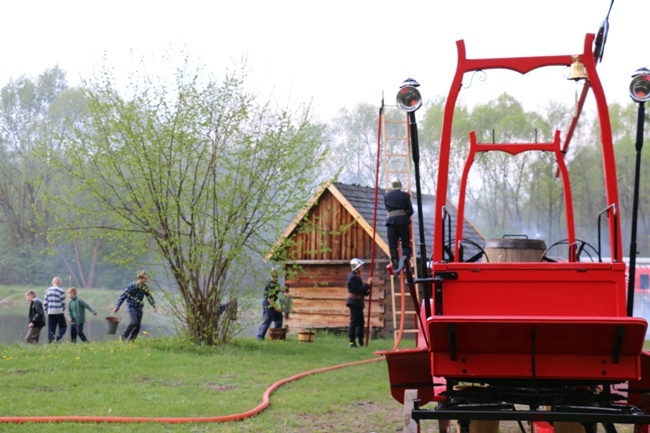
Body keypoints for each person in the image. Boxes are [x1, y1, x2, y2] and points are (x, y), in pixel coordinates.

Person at [113, 270, 157, 342]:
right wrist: (117, 307)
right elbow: (123, 296)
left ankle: (132, 341)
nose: (146, 280)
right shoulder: (132, 286)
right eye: (145, 278)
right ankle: (123, 337)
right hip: (131, 307)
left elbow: (149, 296)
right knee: (133, 322)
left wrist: (154, 306)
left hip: (139, 308)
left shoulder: (144, 287)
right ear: (140, 278)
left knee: (138, 325)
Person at [384, 178, 414, 271]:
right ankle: (405, 263)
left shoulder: (386, 196)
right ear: (400, 185)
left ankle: (396, 265)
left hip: (391, 222)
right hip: (402, 222)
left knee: (392, 245)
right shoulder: (405, 195)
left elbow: (388, 209)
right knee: (405, 244)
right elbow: (411, 210)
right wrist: (405, 215)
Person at [347, 258, 373, 348]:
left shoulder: (357, 276)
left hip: (358, 302)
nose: (362, 267)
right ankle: (352, 342)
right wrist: (368, 284)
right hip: (354, 302)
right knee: (354, 322)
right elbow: (358, 290)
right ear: (356, 267)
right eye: (360, 266)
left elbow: (362, 291)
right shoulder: (353, 277)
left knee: (361, 322)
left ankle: (360, 341)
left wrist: (367, 291)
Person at [256, 271, 286, 340]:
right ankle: (260, 336)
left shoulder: (276, 284)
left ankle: (276, 334)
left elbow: (278, 289)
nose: (275, 278)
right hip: (267, 303)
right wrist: (277, 308)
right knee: (268, 319)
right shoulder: (270, 284)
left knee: (279, 317)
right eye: (273, 277)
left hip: (272, 302)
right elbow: (270, 299)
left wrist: (283, 290)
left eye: (276, 277)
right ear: (271, 277)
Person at [44, 276, 67, 343]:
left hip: (50, 311)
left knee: (51, 328)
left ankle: (50, 342)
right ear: (59, 283)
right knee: (63, 326)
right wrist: (62, 309)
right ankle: (58, 337)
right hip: (59, 311)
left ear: (52, 282)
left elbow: (45, 302)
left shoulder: (48, 290)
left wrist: (46, 310)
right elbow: (63, 302)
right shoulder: (61, 290)